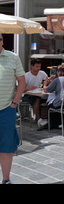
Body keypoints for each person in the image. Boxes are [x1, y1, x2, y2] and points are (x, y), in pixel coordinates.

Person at [0, 33, 26, 184]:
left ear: (2, 41)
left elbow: (21, 82)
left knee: (6, 145)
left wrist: (14, 103)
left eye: (0, 39)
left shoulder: (13, 57)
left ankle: (5, 179)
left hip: (6, 109)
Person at [22, 59, 48, 129]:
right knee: (37, 99)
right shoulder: (26, 76)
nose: (38, 68)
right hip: (27, 95)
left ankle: (45, 118)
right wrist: (30, 88)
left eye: (39, 66)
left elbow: (46, 78)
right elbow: (22, 90)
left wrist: (45, 85)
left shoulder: (42, 73)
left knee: (50, 99)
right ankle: (39, 120)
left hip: (38, 93)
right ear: (32, 66)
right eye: (37, 66)